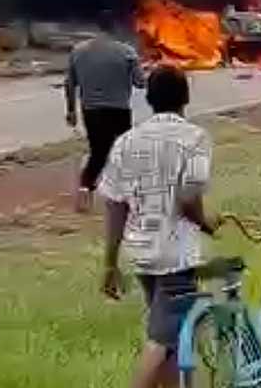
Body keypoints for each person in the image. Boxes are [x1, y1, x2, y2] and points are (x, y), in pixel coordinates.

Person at [97, 65, 219, 388]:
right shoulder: (194, 138)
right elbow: (189, 199)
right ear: (186, 98)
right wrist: (207, 224)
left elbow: (114, 204)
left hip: (142, 252)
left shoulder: (126, 142)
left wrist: (110, 263)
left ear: (148, 99)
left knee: (177, 340)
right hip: (175, 254)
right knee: (162, 339)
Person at [65, 10, 145, 212]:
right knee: (124, 153)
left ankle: (85, 188)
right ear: (115, 28)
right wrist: (145, 68)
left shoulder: (78, 51)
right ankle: (127, 195)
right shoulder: (126, 52)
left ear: (97, 27)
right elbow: (140, 83)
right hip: (119, 110)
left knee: (98, 152)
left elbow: (70, 83)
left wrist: (71, 111)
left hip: (91, 110)